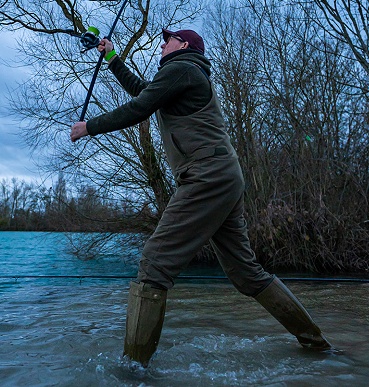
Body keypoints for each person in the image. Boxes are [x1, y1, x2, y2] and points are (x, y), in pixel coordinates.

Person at [71, 28, 332, 366]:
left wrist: (88, 127)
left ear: (184, 45)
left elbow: (139, 107)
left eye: (168, 40)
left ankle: (133, 370)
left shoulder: (181, 68)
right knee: (245, 273)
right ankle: (317, 345)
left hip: (206, 177)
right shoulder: (183, 75)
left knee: (153, 262)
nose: (162, 45)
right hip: (223, 177)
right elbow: (145, 92)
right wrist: (111, 58)